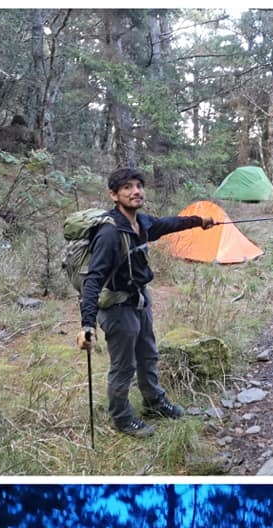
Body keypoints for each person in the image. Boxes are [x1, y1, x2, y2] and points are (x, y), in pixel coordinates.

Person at [76, 167, 215, 438]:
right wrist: (86, 324)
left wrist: (200, 220)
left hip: (139, 300)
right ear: (113, 195)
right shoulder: (109, 233)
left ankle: (154, 403)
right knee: (124, 366)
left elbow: (169, 223)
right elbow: (92, 280)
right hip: (117, 307)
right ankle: (122, 417)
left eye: (138, 185)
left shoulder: (141, 222)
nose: (135, 191)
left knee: (148, 354)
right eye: (127, 187)